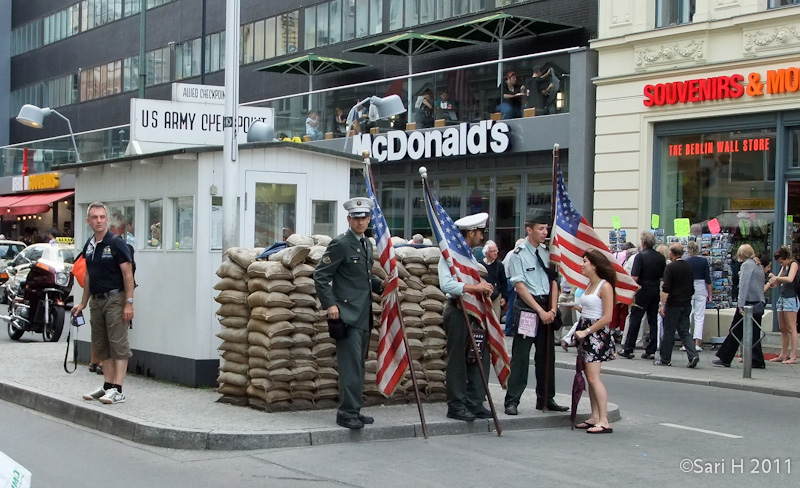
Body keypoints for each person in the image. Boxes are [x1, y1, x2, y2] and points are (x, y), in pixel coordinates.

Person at [313, 198, 384, 429]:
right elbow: (321, 276)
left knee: (359, 366)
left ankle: (354, 408)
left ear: (369, 219)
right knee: (350, 367)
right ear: (348, 219)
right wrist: (330, 305)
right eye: (356, 217)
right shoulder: (340, 244)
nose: (360, 221)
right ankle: (346, 413)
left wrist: (382, 285)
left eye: (364, 217)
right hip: (347, 314)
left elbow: (363, 278)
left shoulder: (366, 244)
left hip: (363, 314)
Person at [504, 214, 568, 415]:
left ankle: (546, 398)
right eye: (541, 228)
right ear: (529, 230)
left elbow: (554, 282)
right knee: (521, 357)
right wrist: (540, 311)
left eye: (546, 229)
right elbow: (520, 287)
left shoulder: (548, 253)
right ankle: (512, 400)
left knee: (547, 355)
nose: (545, 232)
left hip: (546, 307)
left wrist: (553, 310)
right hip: (528, 309)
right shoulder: (518, 254)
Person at [73, 202, 135, 405]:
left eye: (102, 217)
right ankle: (107, 385)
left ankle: (118, 389)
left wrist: (129, 303)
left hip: (115, 299)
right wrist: (82, 303)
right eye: (94, 217)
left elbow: (128, 274)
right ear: (88, 220)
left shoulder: (116, 243)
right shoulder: (90, 244)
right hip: (96, 301)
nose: (98, 221)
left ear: (107, 219)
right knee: (101, 344)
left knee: (118, 344)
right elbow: (89, 274)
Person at [438, 212, 495, 422]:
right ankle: (456, 405)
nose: (482, 237)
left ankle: (474, 402)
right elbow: (447, 285)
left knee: (477, 355)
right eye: (481, 233)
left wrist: (483, 288)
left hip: (473, 311)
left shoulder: (469, 255)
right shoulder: (449, 255)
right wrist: (474, 287)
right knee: (458, 361)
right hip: (458, 310)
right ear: (471, 232)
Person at [572, 249, 616, 434]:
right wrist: (577, 308)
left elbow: (607, 317)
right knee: (589, 376)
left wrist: (587, 331)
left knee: (593, 377)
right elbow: (590, 310)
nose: (582, 265)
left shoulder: (604, 286)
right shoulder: (591, 284)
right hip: (586, 332)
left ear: (594, 265)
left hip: (596, 335)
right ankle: (595, 416)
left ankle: (604, 420)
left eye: (585, 261)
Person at [713, 244, 766, 368]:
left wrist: (740, 305)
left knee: (735, 330)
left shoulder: (747, 265)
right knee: (754, 332)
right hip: (758, 302)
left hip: (748, 303)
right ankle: (757, 360)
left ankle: (726, 357)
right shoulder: (757, 265)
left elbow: (744, 287)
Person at [619, 232, 666, 360]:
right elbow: (663, 276)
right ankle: (651, 350)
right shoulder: (660, 257)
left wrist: (631, 291)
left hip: (642, 289)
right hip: (655, 289)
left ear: (643, 242)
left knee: (635, 318)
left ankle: (628, 348)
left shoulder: (640, 257)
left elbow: (634, 277)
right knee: (652, 320)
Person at [657, 243, 700, 368]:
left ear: (672, 253)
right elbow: (692, 288)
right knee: (684, 331)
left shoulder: (670, 268)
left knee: (669, 331)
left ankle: (665, 359)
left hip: (673, 303)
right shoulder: (688, 266)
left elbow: (666, 288)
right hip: (686, 303)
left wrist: (662, 304)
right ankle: (693, 355)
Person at [765, 246, 799, 364]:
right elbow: (779, 280)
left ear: (786, 258)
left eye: (781, 262)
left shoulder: (794, 264)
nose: (781, 264)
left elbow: (789, 279)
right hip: (782, 297)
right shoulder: (785, 266)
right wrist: (773, 281)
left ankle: (793, 356)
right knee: (783, 328)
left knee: (791, 327)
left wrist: (776, 278)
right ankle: (783, 354)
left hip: (791, 297)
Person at [685, 241, 711, 351]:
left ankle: (686, 342)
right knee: (699, 316)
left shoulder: (686, 261)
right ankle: (697, 342)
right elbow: (708, 279)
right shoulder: (703, 261)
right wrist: (710, 294)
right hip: (701, 287)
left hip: (689, 287)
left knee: (687, 315)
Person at [481, 240, 508, 320]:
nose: (495, 253)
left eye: (496, 250)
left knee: (495, 319)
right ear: (486, 253)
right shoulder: (480, 264)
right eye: (493, 251)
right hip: (483, 295)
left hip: (496, 296)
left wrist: (504, 297)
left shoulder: (499, 265)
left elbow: (504, 282)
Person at [503, 238, 525, 335]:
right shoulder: (516, 255)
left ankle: (510, 328)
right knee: (512, 305)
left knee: (511, 305)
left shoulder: (509, 253)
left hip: (509, 280)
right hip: (513, 281)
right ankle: (509, 329)